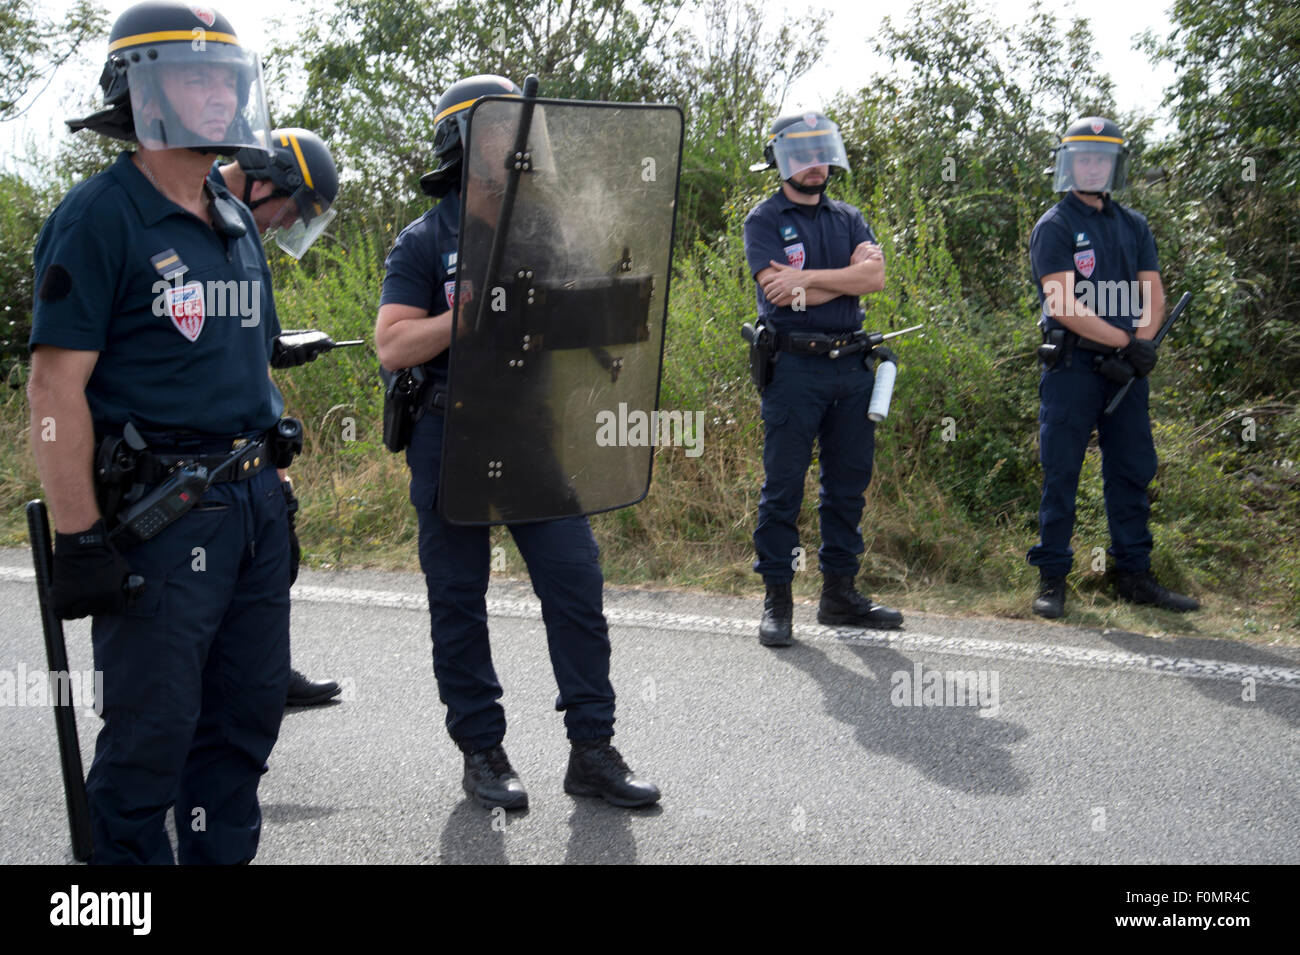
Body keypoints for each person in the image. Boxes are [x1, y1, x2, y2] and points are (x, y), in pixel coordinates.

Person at [29, 1, 293, 863]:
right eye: (192, 76)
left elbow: (246, 360)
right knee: (151, 736)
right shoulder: (100, 216)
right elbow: (54, 385)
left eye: (225, 79)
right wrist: (79, 539)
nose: (215, 96)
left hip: (251, 508)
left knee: (244, 720)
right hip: (163, 518)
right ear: (137, 91)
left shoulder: (236, 215)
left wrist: (273, 479)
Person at [374, 75, 660, 810]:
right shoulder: (424, 238)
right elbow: (394, 344)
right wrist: (461, 322)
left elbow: (569, 316)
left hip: (528, 431)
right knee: (459, 598)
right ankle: (482, 752)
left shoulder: (544, 228)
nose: (521, 145)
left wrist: (608, 311)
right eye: (505, 132)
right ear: (465, 144)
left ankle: (592, 750)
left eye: (527, 134)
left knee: (575, 582)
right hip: (448, 431)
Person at [1027, 116, 1199, 618]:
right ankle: (1052, 577)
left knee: (1131, 471)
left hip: (1127, 373)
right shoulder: (1054, 226)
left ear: (1115, 165)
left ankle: (1134, 576)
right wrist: (1128, 343)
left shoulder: (1134, 225)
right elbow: (1062, 303)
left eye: (1102, 158)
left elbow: (1154, 294)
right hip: (1073, 369)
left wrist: (1141, 347)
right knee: (1062, 472)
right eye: (1084, 157)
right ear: (1068, 163)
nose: (1093, 165)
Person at [742, 111, 903, 648]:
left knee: (847, 488)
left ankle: (839, 596)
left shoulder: (850, 217)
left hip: (852, 369)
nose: (815, 164)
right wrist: (843, 281)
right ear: (781, 160)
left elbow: (874, 278)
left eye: (820, 151)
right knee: (782, 489)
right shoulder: (764, 219)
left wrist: (809, 279)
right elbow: (780, 296)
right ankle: (777, 602)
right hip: (795, 370)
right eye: (801, 154)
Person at [213, 128, 344, 706]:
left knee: (270, 561)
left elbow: (250, 349)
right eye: (292, 210)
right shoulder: (193, 215)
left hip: (248, 448)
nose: (285, 225)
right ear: (265, 179)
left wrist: (283, 346)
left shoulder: (242, 235)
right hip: (191, 455)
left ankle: (266, 670)